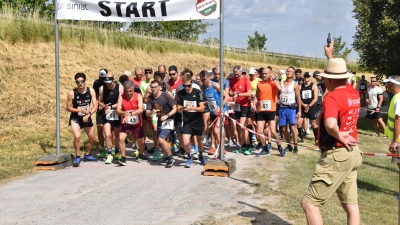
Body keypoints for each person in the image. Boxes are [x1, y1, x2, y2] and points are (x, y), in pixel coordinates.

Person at [301, 43, 362, 225]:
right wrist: (330, 57)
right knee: (350, 205)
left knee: (309, 203)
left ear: (327, 80)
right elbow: (337, 83)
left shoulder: (332, 97)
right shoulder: (352, 92)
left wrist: (338, 134)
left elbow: (329, 124)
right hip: (353, 152)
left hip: (338, 154)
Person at [66, 73, 98, 167]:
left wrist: (89, 114)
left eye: (82, 81)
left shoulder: (91, 91)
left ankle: (87, 154)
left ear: (85, 81)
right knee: (77, 136)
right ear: (76, 82)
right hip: (75, 117)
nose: (80, 83)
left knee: (92, 138)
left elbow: (95, 104)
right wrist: (79, 110)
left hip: (86, 117)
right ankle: (78, 156)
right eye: (78, 82)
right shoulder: (72, 93)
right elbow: (68, 108)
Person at [177, 74, 206, 168]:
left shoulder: (197, 92)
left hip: (197, 120)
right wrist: (183, 108)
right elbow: (178, 108)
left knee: (200, 140)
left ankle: (201, 155)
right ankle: (189, 156)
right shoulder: (181, 93)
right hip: (187, 121)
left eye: (188, 86)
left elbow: (202, 108)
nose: (187, 88)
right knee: (185, 142)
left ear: (192, 84)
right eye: (184, 86)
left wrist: (192, 108)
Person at [116, 80, 148, 166]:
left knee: (141, 141)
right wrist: (123, 113)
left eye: (130, 91)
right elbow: (118, 110)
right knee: (121, 138)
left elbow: (141, 109)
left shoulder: (138, 96)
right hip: (125, 121)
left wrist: (130, 114)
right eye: (127, 91)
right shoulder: (121, 97)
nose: (129, 93)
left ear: (133, 89)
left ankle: (141, 154)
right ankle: (123, 158)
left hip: (137, 121)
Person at [146, 80, 177, 167]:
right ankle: (167, 156)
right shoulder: (150, 98)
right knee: (162, 141)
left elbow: (175, 108)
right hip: (160, 121)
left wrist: (167, 116)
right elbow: (147, 113)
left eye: (155, 87)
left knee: (161, 139)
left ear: (160, 87)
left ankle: (170, 158)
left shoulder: (165, 95)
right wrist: (152, 112)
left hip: (169, 120)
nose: (153, 89)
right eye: (152, 87)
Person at [253, 67, 283, 156]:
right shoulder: (259, 83)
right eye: (263, 73)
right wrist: (254, 104)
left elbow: (280, 88)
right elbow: (256, 95)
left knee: (273, 131)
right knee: (259, 130)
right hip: (261, 110)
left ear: (270, 74)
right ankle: (265, 148)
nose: (264, 75)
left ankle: (280, 147)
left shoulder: (273, 83)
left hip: (271, 110)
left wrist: (274, 79)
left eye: (266, 73)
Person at [200, 70, 228, 157]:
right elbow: (205, 97)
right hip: (212, 110)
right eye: (202, 80)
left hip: (221, 110)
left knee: (216, 130)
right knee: (212, 130)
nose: (203, 81)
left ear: (209, 77)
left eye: (205, 79)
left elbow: (226, 96)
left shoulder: (215, 85)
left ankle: (220, 147)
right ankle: (214, 146)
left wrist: (220, 106)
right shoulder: (203, 87)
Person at [98, 72, 124, 164]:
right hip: (107, 113)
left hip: (116, 112)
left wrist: (112, 107)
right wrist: (105, 106)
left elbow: (121, 102)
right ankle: (109, 153)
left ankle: (116, 151)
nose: (109, 84)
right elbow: (99, 102)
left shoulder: (120, 87)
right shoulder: (102, 88)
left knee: (117, 134)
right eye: (107, 82)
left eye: (110, 82)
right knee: (108, 134)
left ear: (114, 79)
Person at [229, 65, 253, 155]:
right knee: (239, 127)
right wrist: (233, 93)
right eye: (235, 74)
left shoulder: (246, 79)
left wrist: (240, 94)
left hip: (245, 105)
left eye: (238, 74)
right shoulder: (232, 80)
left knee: (243, 126)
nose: (237, 76)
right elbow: (230, 92)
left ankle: (249, 145)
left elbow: (249, 93)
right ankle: (244, 145)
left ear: (241, 72)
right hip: (237, 105)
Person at [278, 66, 301, 156]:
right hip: (282, 108)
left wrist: (299, 111)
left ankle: (295, 146)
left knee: (292, 128)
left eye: (290, 71)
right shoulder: (281, 83)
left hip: (291, 108)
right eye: (287, 71)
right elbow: (277, 95)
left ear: (293, 74)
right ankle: (289, 145)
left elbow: (298, 98)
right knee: (283, 128)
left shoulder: (295, 84)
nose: (288, 73)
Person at [297, 72, 319, 145]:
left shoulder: (313, 86)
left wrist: (309, 106)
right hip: (303, 107)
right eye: (305, 76)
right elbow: (299, 97)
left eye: (308, 76)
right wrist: (304, 105)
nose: (306, 78)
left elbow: (315, 98)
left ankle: (316, 139)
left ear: (310, 77)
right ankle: (301, 137)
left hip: (311, 107)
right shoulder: (301, 86)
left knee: (313, 123)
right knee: (299, 122)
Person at [384, 76, 400, 169]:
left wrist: (394, 141)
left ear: (392, 85)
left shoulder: (398, 99)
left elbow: (398, 121)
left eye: (387, 83)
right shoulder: (396, 97)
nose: (386, 86)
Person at [92, 69, 107, 157]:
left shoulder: (110, 82)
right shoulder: (96, 83)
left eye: (104, 78)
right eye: (101, 78)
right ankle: (102, 148)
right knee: (99, 128)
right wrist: (97, 104)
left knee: (109, 131)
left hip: (109, 107)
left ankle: (112, 148)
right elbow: (94, 95)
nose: (102, 80)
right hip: (99, 107)